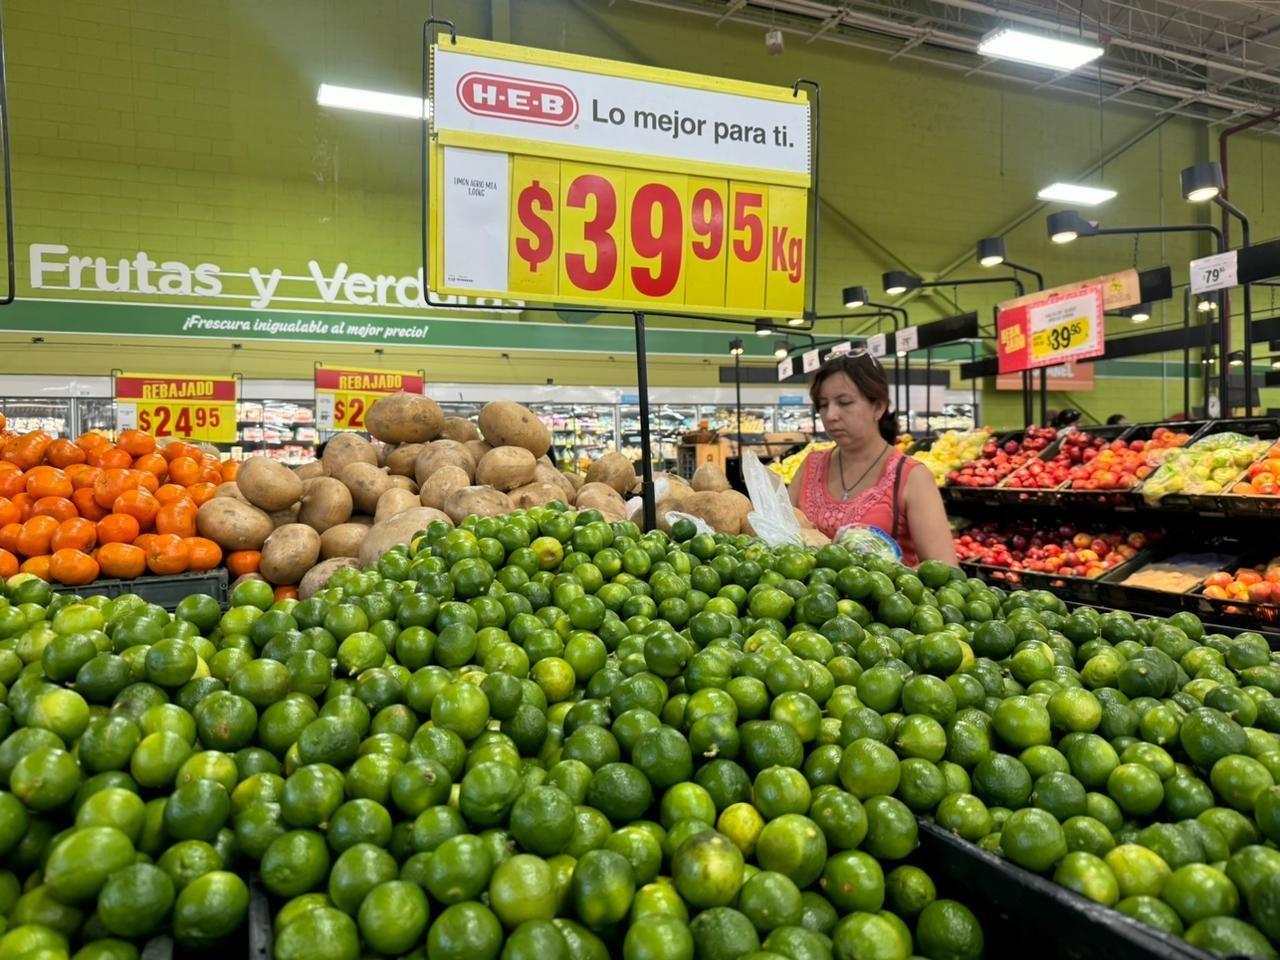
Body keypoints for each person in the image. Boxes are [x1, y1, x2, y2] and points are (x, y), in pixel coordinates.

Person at [789, 352, 956, 566]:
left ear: (878, 406)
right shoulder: (810, 466)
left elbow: (944, 568)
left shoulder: (912, 477)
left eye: (844, 402)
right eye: (823, 405)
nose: (830, 415)